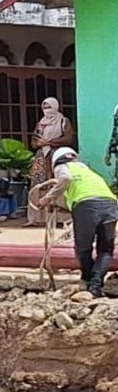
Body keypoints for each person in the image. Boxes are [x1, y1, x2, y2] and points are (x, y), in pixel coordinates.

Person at [32, 147, 118, 297]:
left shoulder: (62, 167)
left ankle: (87, 279)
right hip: (110, 205)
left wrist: (47, 198)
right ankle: (96, 285)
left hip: (87, 206)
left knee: (83, 249)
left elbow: (66, 180)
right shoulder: (87, 171)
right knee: (105, 250)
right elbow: (76, 196)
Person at [27, 98, 75, 227]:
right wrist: (39, 143)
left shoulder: (63, 121)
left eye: (49, 107)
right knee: (39, 183)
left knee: (58, 182)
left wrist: (50, 142)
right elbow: (33, 141)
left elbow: (68, 138)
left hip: (58, 155)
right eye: (45, 107)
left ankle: (62, 218)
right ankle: (37, 218)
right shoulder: (40, 124)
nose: (47, 110)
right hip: (41, 156)